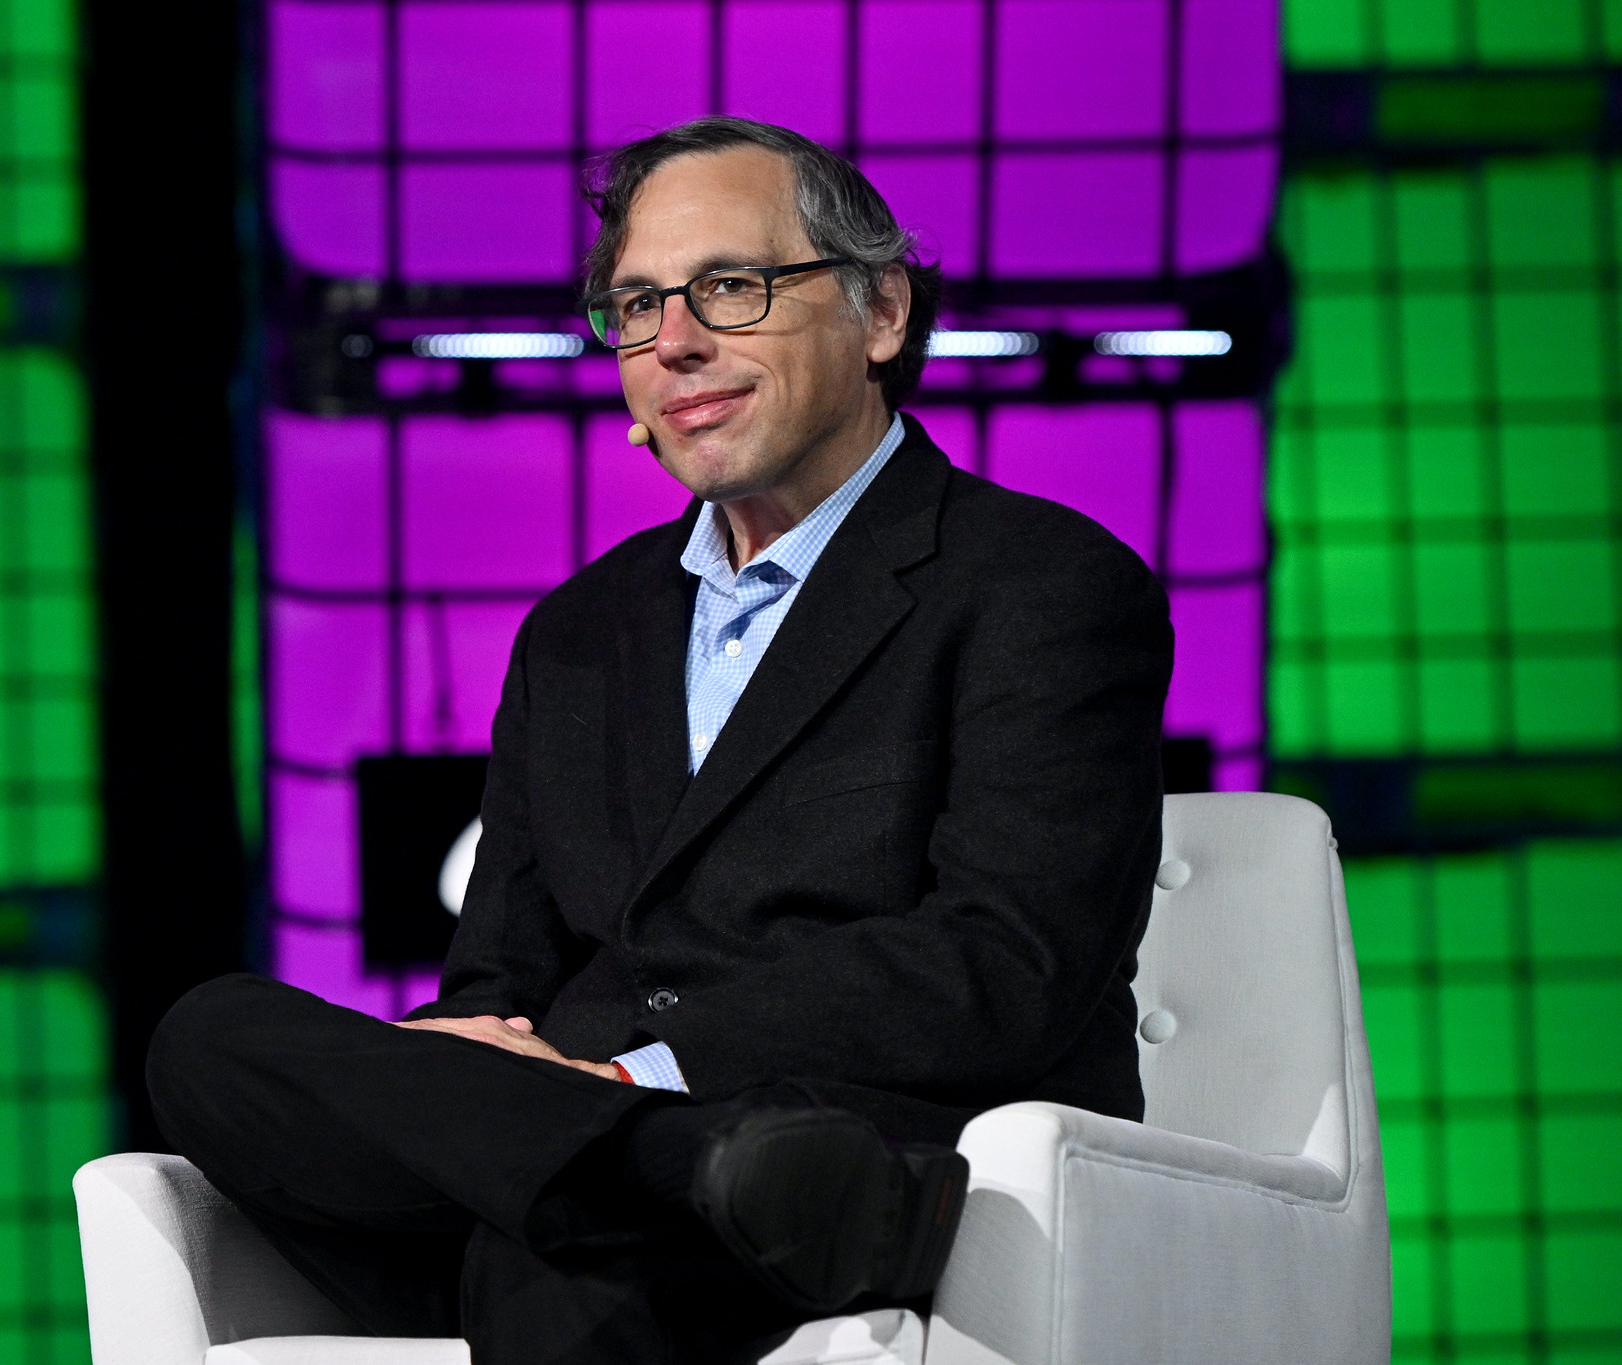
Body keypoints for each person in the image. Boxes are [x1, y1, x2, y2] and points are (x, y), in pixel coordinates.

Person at [147, 116, 1173, 1365]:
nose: (673, 341)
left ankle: (657, 1175)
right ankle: (673, 1173)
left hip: (867, 1134)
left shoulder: (1039, 584)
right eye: (634, 306)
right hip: (646, 1167)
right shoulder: (578, 631)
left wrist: (644, 1070)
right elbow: (497, 987)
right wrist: (582, 1101)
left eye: (728, 289)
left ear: (883, 312)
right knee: (210, 1034)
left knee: (558, 1263)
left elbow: (1001, 961)